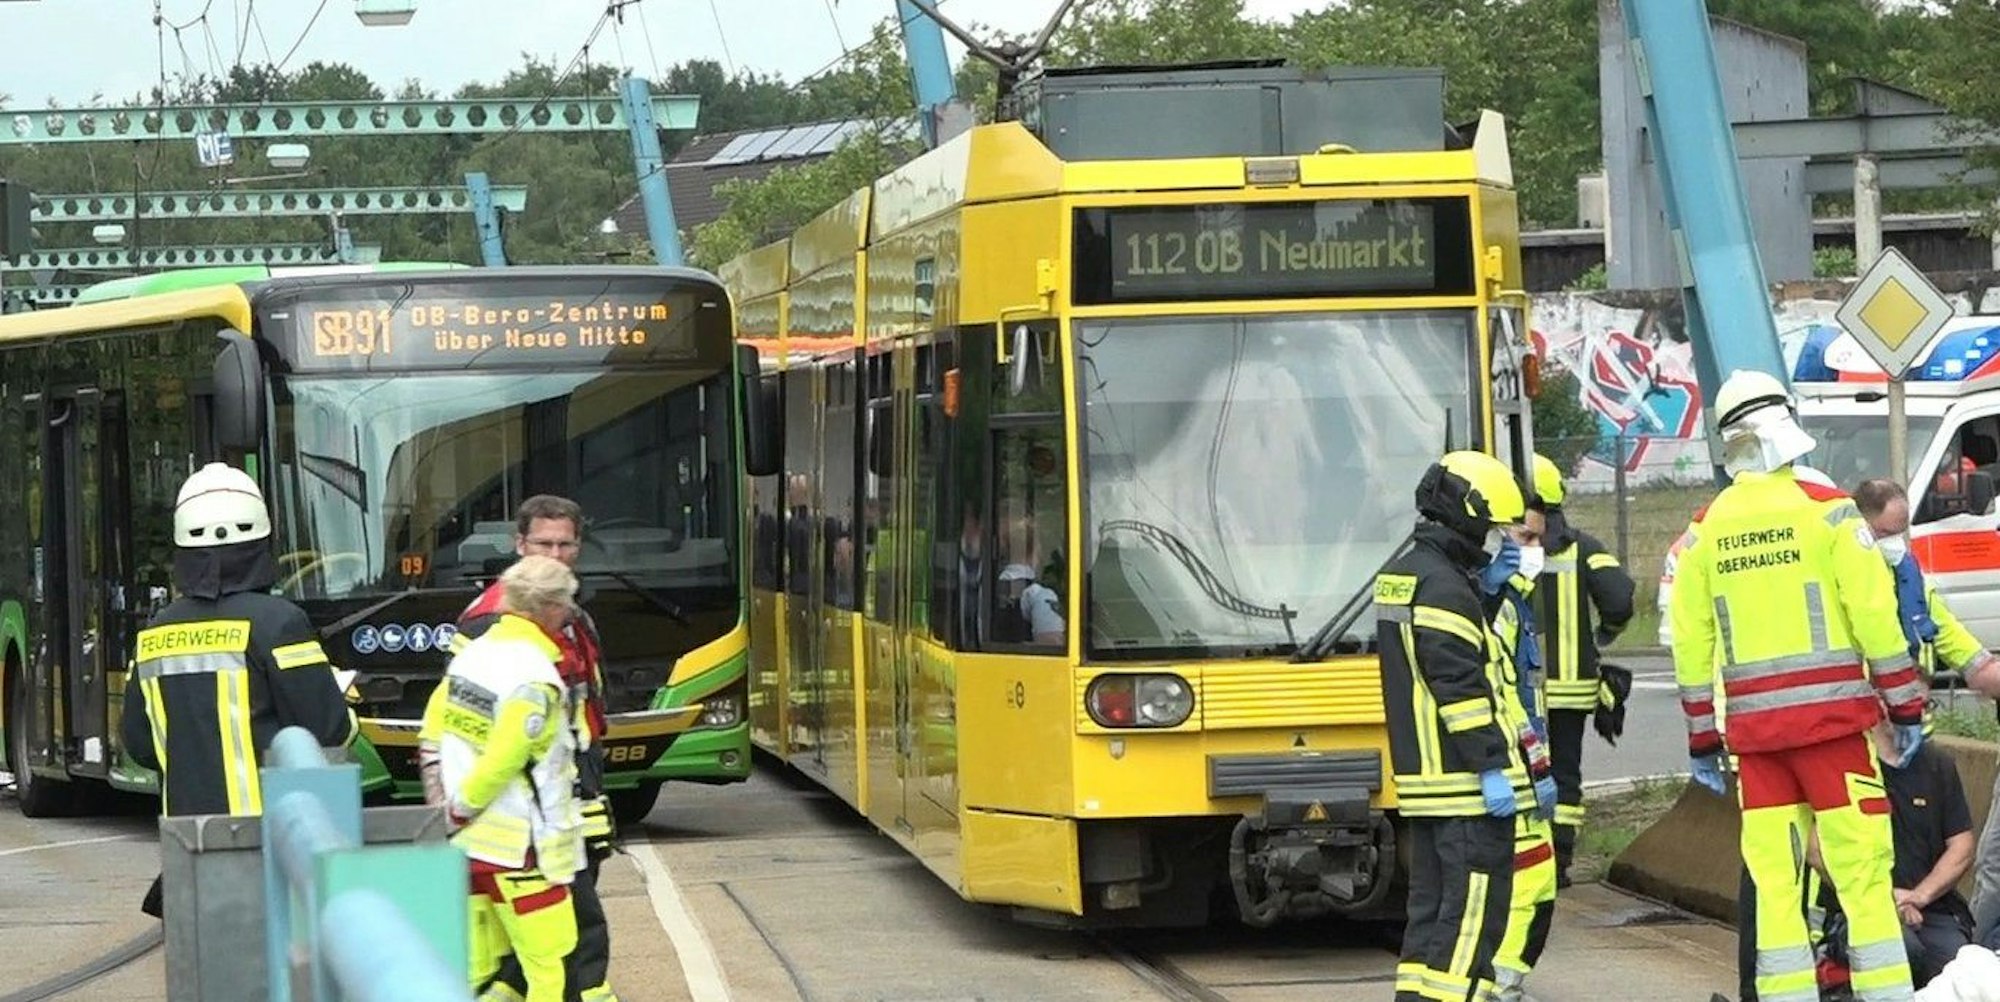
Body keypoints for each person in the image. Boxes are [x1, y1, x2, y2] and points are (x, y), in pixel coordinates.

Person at [1671, 369, 1925, 1002]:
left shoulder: (1704, 532)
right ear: (1787, 423)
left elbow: (1690, 641)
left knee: (1778, 888)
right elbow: (1875, 618)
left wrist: (1704, 739)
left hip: (1757, 747)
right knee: (1862, 879)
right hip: (1834, 736)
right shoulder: (1829, 513)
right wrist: (1907, 703)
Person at [121, 463, 357, 917]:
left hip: (187, 844)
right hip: (266, 842)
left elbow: (139, 745)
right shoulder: (279, 622)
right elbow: (331, 731)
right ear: (261, 542)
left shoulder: (154, 634)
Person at [424, 495, 618, 1002]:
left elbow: (586, 702)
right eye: (543, 543)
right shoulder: (496, 628)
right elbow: (487, 737)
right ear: (519, 544)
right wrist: (456, 805)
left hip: (535, 804)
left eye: (565, 543)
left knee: (504, 953)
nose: (555, 554)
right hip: (523, 822)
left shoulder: (570, 614)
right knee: (556, 947)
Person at [1379, 450, 1536, 1002]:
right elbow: (1461, 689)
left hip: (1428, 789)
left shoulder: (1407, 574)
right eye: (1496, 529)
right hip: (1467, 790)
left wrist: (1485, 594)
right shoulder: (1444, 587)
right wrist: (1492, 767)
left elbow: (1444, 660)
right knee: (1472, 926)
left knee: (1429, 921)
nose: (1502, 540)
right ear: (1467, 518)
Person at [1525, 453, 1636, 887]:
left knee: (1523, 772)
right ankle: (1560, 860)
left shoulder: (1502, 546)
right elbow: (1620, 598)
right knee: (1564, 773)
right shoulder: (1585, 549)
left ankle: (1527, 856)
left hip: (1518, 691)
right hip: (1571, 690)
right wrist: (1605, 633)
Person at [1810, 704, 1977, 990]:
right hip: (1859, 908)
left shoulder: (1937, 765)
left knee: (1962, 970)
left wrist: (1919, 896)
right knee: (1902, 954)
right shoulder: (1841, 766)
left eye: (1923, 705)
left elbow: (1962, 846)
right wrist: (1884, 898)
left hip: (1930, 910)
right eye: (1908, 704)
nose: (1919, 713)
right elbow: (1815, 848)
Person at [1484, 505, 1562, 1001]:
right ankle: (1496, 986)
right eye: (1523, 538)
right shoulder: (1494, 607)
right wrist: (1532, 768)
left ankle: (1501, 985)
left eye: (1538, 540)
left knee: (1534, 889)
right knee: (1527, 889)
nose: (1533, 550)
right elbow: (1500, 695)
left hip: (1520, 766)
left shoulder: (1514, 601)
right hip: (1508, 770)